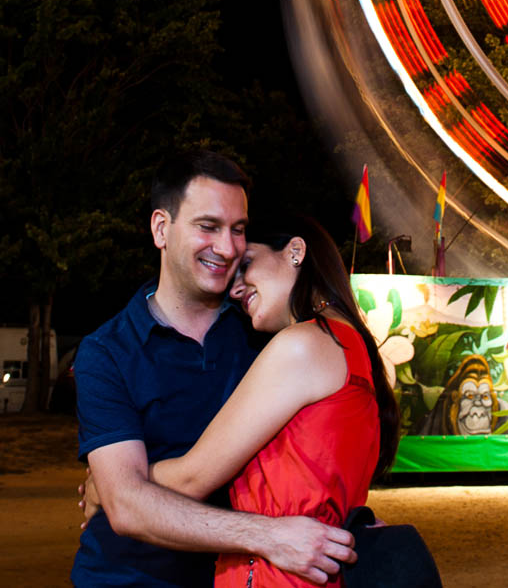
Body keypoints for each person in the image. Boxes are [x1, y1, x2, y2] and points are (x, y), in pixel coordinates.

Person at [72, 150, 355, 587]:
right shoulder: (106, 352)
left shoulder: (266, 333)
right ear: (161, 229)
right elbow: (128, 510)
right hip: (125, 578)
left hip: (243, 579)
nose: (226, 248)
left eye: (238, 230)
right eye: (208, 226)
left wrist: (114, 487)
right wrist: (267, 537)